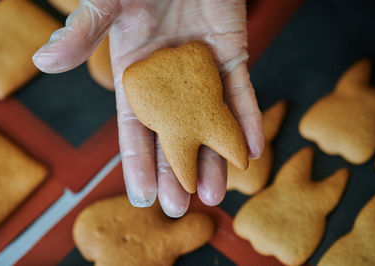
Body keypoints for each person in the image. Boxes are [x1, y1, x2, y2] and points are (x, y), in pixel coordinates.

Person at [33, 0, 264, 218]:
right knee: (191, 168)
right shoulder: (143, 78)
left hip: (204, 101)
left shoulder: (189, 61)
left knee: (221, 152)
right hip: (176, 118)